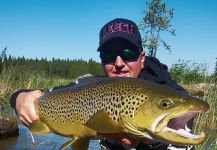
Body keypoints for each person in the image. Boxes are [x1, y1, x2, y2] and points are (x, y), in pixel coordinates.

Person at [10, 18, 193, 150]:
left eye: (128, 53)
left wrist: (149, 141)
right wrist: (19, 97)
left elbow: (185, 134)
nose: (119, 63)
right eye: (109, 56)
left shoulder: (171, 93)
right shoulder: (92, 85)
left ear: (142, 57)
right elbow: (43, 95)